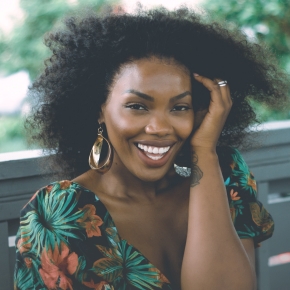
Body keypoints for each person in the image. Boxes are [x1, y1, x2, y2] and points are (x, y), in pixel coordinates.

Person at [14, 5, 288, 290]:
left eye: (180, 107)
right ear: (99, 110)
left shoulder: (225, 177)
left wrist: (205, 151)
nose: (159, 127)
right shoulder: (61, 212)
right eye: (137, 106)